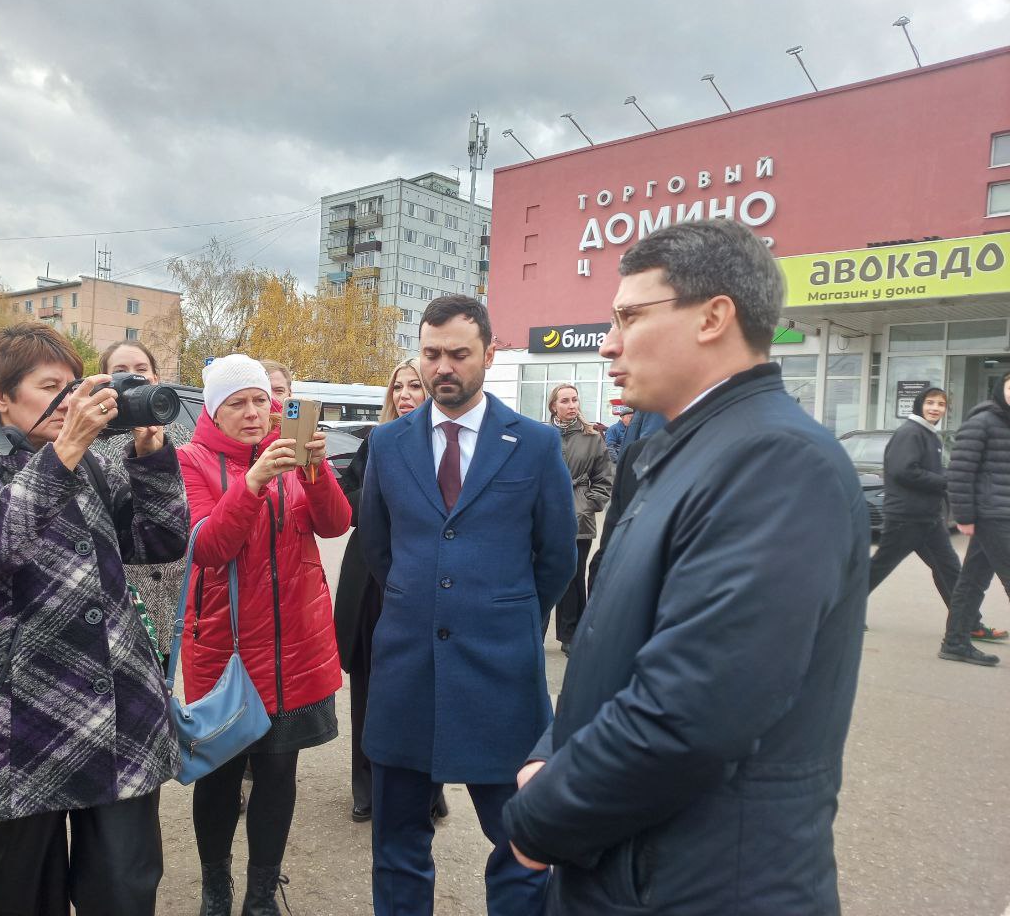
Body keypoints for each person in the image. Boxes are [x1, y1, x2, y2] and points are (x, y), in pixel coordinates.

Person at [502, 220, 870, 915]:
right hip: (639, 866)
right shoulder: (690, 451)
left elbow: (693, 711)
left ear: (713, 316)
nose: (609, 342)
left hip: (697, 884)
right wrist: (553, 750)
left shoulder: (775, 465)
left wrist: (541, 816)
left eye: (629, 316)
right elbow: (620, 648)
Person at [0, 324, 190, 916]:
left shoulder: (91, 463)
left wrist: (150, 454)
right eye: (51, 387)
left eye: (73, 386)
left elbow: (160, 539)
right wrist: (65, 452)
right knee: (24, 896)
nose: (70, 401)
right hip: (21, 721)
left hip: (119, 710)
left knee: (124, 890)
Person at [359, 295, 577, 916]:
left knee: (521, 840)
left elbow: (556, 556)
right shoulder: (388, 443)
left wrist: (507, 618)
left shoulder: (533, 445)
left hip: (500, 675)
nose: (443, 367)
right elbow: (378, 545)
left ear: (488, 353)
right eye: (431, 354)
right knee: (397, 843)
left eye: (458, 353)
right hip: (406, 672)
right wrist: (418, 601)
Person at [176, 354, 350, 916]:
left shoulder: (293, 453)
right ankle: (215, 887)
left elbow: (334, 525)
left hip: (295, 646)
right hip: (226, 653)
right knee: (220, 781)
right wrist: (252, 482)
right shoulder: (190, 461)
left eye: (261, 400)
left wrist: (316, 472)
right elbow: (206, 547)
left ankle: (259, 893)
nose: (254, 412)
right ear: (214, 410)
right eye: (238, 403)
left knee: (278, 776)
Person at [333, 358, 445, 824]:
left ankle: (428, 789)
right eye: (397, 387)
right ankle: (367, 787)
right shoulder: (376, 443)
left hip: (424, 584)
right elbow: (347, 504)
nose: (404, 394)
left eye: (413, 386)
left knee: (426, 690)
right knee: (369, 689)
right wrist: (385, 495)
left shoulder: (447, 445)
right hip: (372, 586)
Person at [867, 388, 1005, 642]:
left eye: (941, 404)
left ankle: (969, 624)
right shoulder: (910, 432)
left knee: (951, 571)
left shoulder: (929, 435)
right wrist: (946, 480)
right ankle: (837, 610)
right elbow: (904, 471)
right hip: (906, 518)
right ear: (920, 404)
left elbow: (926, 469)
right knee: (877, 569)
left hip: (928, 519)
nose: (935, 408)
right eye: (930, 403)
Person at [94, 339, 193, 661]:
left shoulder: (179, 436)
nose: (133, 377)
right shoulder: (88, 438)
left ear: (155, 378)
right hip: (120, 589)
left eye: (141, 370)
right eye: (121, 371)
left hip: (172, 584)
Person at [939, 370, 1010, 667]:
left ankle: (955, 642)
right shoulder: (982, 421)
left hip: (1001, 511)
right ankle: (955, 641)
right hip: (991, 514)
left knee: (972, 581)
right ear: (1001, 388)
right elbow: (960, 471)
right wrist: (965, 516)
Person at [546, 383, 612, 654]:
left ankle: (570, 635)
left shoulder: (592, 437)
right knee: (541, 575)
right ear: (554, 406)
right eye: (565, 400)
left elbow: (604, 478)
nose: (572, 405)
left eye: (574, 400)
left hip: (578, 516)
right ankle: (533, 632)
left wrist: (589, 502)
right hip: (545, 515)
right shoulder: (542, 435)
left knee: (573, 577)